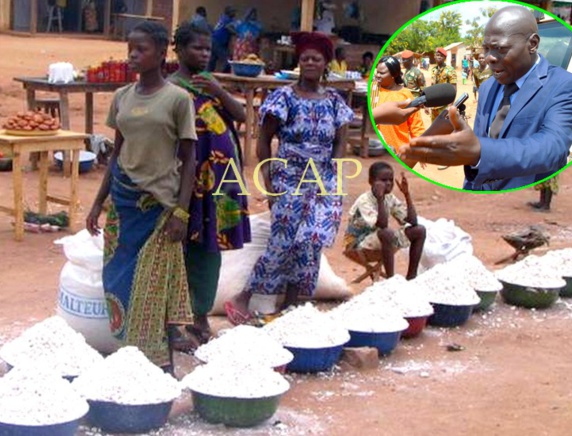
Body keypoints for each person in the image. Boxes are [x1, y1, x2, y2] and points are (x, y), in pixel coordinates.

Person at [85, 22, 197, 370]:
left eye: (141, 49)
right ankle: (131, 362)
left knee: (152, 289)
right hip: (123, 202)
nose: (133, 55)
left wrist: (182, 211)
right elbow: (117, 153)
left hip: (159, 207)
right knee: (117, 279)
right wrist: (97, 201)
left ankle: (161, 366)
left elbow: (189, 157)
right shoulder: (122, 97)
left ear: (162, 53)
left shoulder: (178, 99)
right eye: (130, 48)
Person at [226, 31, 354, 323]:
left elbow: (339, 141)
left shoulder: (335, 101)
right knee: (282, 242)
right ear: (299, 62)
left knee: (310, 244)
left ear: (326, 65)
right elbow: (263, 140)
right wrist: (269, 181)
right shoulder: (283, 97)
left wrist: (329, 176)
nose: (310, 63)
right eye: (305, 58)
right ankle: (242, 299)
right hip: (288, 179)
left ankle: (292, 306)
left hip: (323, 182)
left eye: (316, 59)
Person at [401, 6, 572, 191]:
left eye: (499, 48)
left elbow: (552, 148)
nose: (489, 58)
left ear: (532, 44)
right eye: (486, 48)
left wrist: (481, 151)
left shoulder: (565, 86)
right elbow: (479, 143)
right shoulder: (489, 86)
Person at [169, 22, 251, 343]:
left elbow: (241, 117)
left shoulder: (211, 83)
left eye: (207, 48)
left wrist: (217, 90)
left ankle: (200, 317)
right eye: (196, 48)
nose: (204, 54)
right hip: (190, 182)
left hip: (222, 183)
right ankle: (183, 319)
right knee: (187, 249)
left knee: (210, 249)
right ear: (178, 49)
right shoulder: (172, 88)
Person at [344, 162, 426, 280]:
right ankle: (391, 279)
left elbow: (412, 221)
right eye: (383, 180)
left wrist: (406, 195)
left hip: (380, 240)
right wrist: (380, 199)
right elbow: (382, 225)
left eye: (390, 180)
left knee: (419, 230)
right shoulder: (364, 200)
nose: (388, 183)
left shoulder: (390, 198)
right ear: (371, 181)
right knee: (387, 232)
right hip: (358, 244)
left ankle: (411, 277)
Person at [371, 56, 425, 168]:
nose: (377, 75)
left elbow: (416, 126)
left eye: (382, 73)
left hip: (399, 153)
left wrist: (420, 149)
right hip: (375, 150)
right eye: (377, 71)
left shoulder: (405, 95)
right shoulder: (373, 90)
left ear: (394, 75)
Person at [429, 47, 457, 122]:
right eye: (437, 55)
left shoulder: (450, 70)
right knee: (434, 128)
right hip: (434, 106)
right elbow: (432, 87)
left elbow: (453, 88)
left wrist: (450, 105)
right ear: (434, 56)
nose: (439, 57)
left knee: (444, 128)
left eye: (441, 56)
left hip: (444, 105)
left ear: (445, 58)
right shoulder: (434, 70)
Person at [209, 6, 237, 72]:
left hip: (214, 41)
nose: (234, 13)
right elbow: (229, 28)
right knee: (225, 59)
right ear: (228, 12)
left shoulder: (222, 18)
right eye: (233, 12)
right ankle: (225, 74)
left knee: (212, 60)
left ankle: (208, 74)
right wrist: (237, 34)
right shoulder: (227, 19)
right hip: (218, 42)